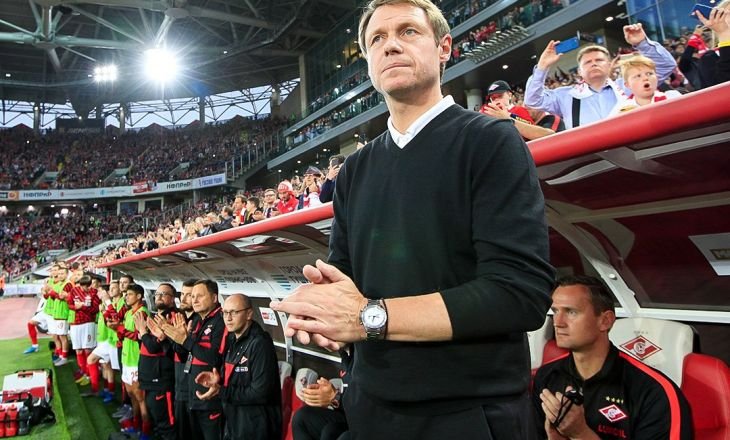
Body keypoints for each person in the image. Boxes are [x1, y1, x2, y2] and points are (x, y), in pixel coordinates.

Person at [271, 1, 555, 439]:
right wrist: (323, 310)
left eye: (408, 31)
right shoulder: (354, 170)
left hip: (469, 413)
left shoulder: (490, 141)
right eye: (377, 39)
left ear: (444, 48)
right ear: (369, 62)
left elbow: (519, 293)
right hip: (370, 407)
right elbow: (346, 279)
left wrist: (368, 317)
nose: (390, 46)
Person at [532, 275, 693, 440]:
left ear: (605, 321)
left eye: (571, 312)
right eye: (555, 311)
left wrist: (580, 434)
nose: (558, 322)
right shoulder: (546, 376)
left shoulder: (654, 392)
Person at [524, 23, 677, 128]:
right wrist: (542, 67)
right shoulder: (565, 96)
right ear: (579, 72)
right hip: (591, 159)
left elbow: (666, 66)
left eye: (599, 60)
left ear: (610, 65)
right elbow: (532, 100)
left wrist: (642, 43)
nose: (594, 64)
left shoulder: (629, 85)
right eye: (588, 62)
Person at [195, 294, 282, 440]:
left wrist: (221, 391)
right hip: (234, 423)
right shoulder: (232, 339)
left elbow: (260, 393)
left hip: (256, 428)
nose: (228, 318)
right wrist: (219, 380)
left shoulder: (260, 343)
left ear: (249, 314)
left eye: (234, 312)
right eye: (225, 313)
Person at [157, 279, 226, 440]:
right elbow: (184, 356)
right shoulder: (196, 321)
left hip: (210, 399)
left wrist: (185, 340)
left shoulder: (221, 321)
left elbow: (214, 358)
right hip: (192, 396)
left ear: (214, 298)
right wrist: (175, 339)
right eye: (192, 296)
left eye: (199, 296)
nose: (194, 300)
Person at [135, 283, 178, 440]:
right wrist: (143, 335)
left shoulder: (172, 317)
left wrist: (143, 332)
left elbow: (153, 346)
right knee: (157, 422)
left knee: (167, 424)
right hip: (149, 378)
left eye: (164, 294)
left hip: (160, 380)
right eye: (157, 294)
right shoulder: (154, 317)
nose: (159, 296)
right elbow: (146, 343)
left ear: (172, 299)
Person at [480, 80, 558, 140]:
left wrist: (509, 117)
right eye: (493, 98)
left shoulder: (518, 110)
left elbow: (531, 130)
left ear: (509, 95)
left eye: (500, 96)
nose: (497, 100)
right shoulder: (489, 115)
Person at [609, 55, 681, 115]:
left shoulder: (672, 98)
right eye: (638, 76)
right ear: (627, 85)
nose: (645, 78)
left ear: (657, 77)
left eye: (649, 74)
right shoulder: (621, 110)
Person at [67, 274, 101, 386]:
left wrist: (82, 307)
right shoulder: (74, 291)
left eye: (85, 286)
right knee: (78, 350)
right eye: (81, 286)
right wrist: (75, 307)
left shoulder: (94, 293)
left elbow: (95, 310)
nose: (83, 289)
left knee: (88, 350)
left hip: (88, 323)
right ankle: (84, 372)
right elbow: (69, 304)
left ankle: (89, 375)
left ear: (89, 285)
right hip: (76, 323)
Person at [23, 264, 57, 354]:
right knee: (30, 323)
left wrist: (48, 290)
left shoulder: (59, 283)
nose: (53, 272)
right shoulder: (49, 281)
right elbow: (46, 296)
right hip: (46, 310)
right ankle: (35, 346)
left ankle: (59, 353)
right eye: (52, 270)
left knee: (55, 335)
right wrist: (44, 290)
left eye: (55, 270)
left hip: (53, 313)